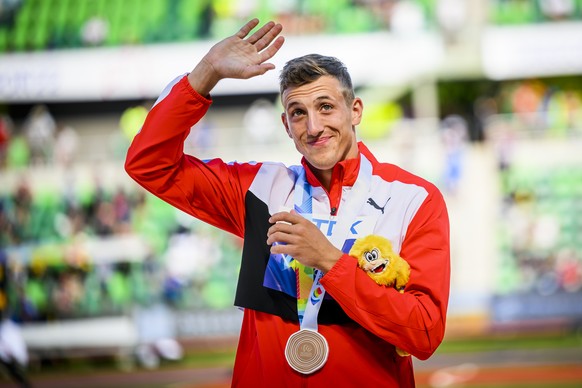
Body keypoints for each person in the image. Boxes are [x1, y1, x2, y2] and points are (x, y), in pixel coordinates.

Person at [125, 18, 450, 387]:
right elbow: (148, 164)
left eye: (326, 107)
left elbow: (424, 332)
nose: (313, 127)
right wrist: (207, 72)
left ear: (355, 110)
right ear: (285, 124)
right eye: (298, 112)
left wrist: (330, 261)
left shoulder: (413, 199)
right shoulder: (260, 189)